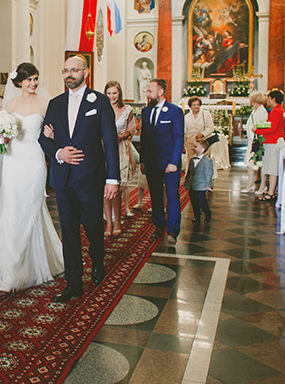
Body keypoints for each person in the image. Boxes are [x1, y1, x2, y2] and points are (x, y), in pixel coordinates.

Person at [38, 56, 119, 301]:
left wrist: (112, 179)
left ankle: (97, 260)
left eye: (74, 70)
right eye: (65, 70)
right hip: (63, 178)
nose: (69, 74)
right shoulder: (55, 103)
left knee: (93, 225)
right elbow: (43, 139)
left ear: (86, 72)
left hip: (90, 176)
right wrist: (58, 153)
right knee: (69, 231)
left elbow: (110, 141)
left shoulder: (100, 101)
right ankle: (73, 282)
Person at [0, 63, 63, 292]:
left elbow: (55, 133)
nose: (33, 83)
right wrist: (0, 137)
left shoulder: (46, 103)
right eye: (29, 79)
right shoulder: (10, 104)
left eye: (36, 79)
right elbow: (7, 137)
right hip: (13, 160)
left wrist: (52, 135)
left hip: (34, 160)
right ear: (19, 82)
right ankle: (12, 271)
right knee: (12, 212)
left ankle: (34, 265)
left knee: (31, 209)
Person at [140, 78, 184, 244]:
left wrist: (173, 162)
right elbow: (144, 138)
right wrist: (143, 161)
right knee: (156, 196)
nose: (147, 94)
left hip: (169, 162)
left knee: (172, 196)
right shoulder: (145, 111)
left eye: (150, 91)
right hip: (152, 163)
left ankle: (172, 231)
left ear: (160, 92)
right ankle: (159, 225)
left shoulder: (174, 111)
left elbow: (178, 138)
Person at [104, 80, 136, 233]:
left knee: (116, 187)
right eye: (109, 93)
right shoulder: (102, 108)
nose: (112, 96)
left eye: (114, 93)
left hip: (120, 150)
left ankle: (117, 221)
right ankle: (108, 222)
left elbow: (132, 128)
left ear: (120, 93)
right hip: (104, 150)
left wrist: (123, 135)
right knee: (104, 188)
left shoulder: (127, 109)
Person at [254, 89, 285, 201]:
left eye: (269, 98)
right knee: (271, 167)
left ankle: (271, 192)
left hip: (272, 141)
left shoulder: (276, 111)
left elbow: (273, 128)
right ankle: (271, 190)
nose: (268, 101)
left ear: (273, 99)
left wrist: (257, 130)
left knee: (272, 168)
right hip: (273, 141)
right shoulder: (279, 110)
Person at [243, 91, 268, 194]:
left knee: (257, 163)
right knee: (250, 163)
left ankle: (262, 186)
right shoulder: (255, 110)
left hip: (257, 141)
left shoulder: (262, 111)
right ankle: (251, 184)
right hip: (252, 140)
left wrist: (256, 129)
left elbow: (263, 125)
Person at [184, 138, 214, 224]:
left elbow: (208, 173)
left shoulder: (207, 161)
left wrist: (207, 185)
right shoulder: (192, 159)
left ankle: (207, 214)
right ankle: (197, 216)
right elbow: (190, 172)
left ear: (203, 149)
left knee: (201, 202)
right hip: (192, 185)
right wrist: (187, 183)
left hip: (201, 186)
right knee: (194, 202)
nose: (194, 148)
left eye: (196, 146)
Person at [183, 96, 215, 168]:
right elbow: (185, 132)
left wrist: (203, 134)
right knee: (191, 161)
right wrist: (183, 145)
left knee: (203, 161)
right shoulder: (186, 117)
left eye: (198, 104)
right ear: (190, 106)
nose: (196, 107)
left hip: (203, 142)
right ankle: (191, 174)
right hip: (191, 142)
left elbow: (211, 127)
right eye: (194, 105)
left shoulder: (206, 114)